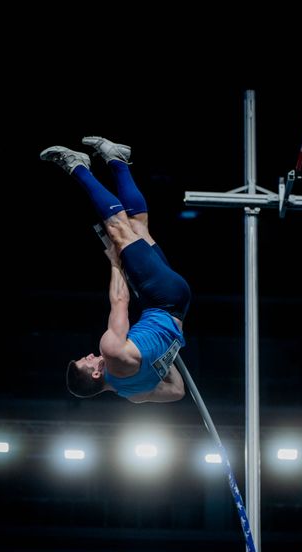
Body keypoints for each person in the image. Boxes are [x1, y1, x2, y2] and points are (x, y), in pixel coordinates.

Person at [40, 136, 191, 403]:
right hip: (160, 296)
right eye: (85, 362)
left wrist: (166, 352)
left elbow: (177, 391)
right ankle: (77, 166)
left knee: (137, 228)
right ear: (96, 374)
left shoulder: (135, 394)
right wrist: (114, 260)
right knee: (118, 231)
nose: (88, 356)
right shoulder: (110, 351)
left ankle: (117, 158)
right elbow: (120, 300)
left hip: (176, 306)